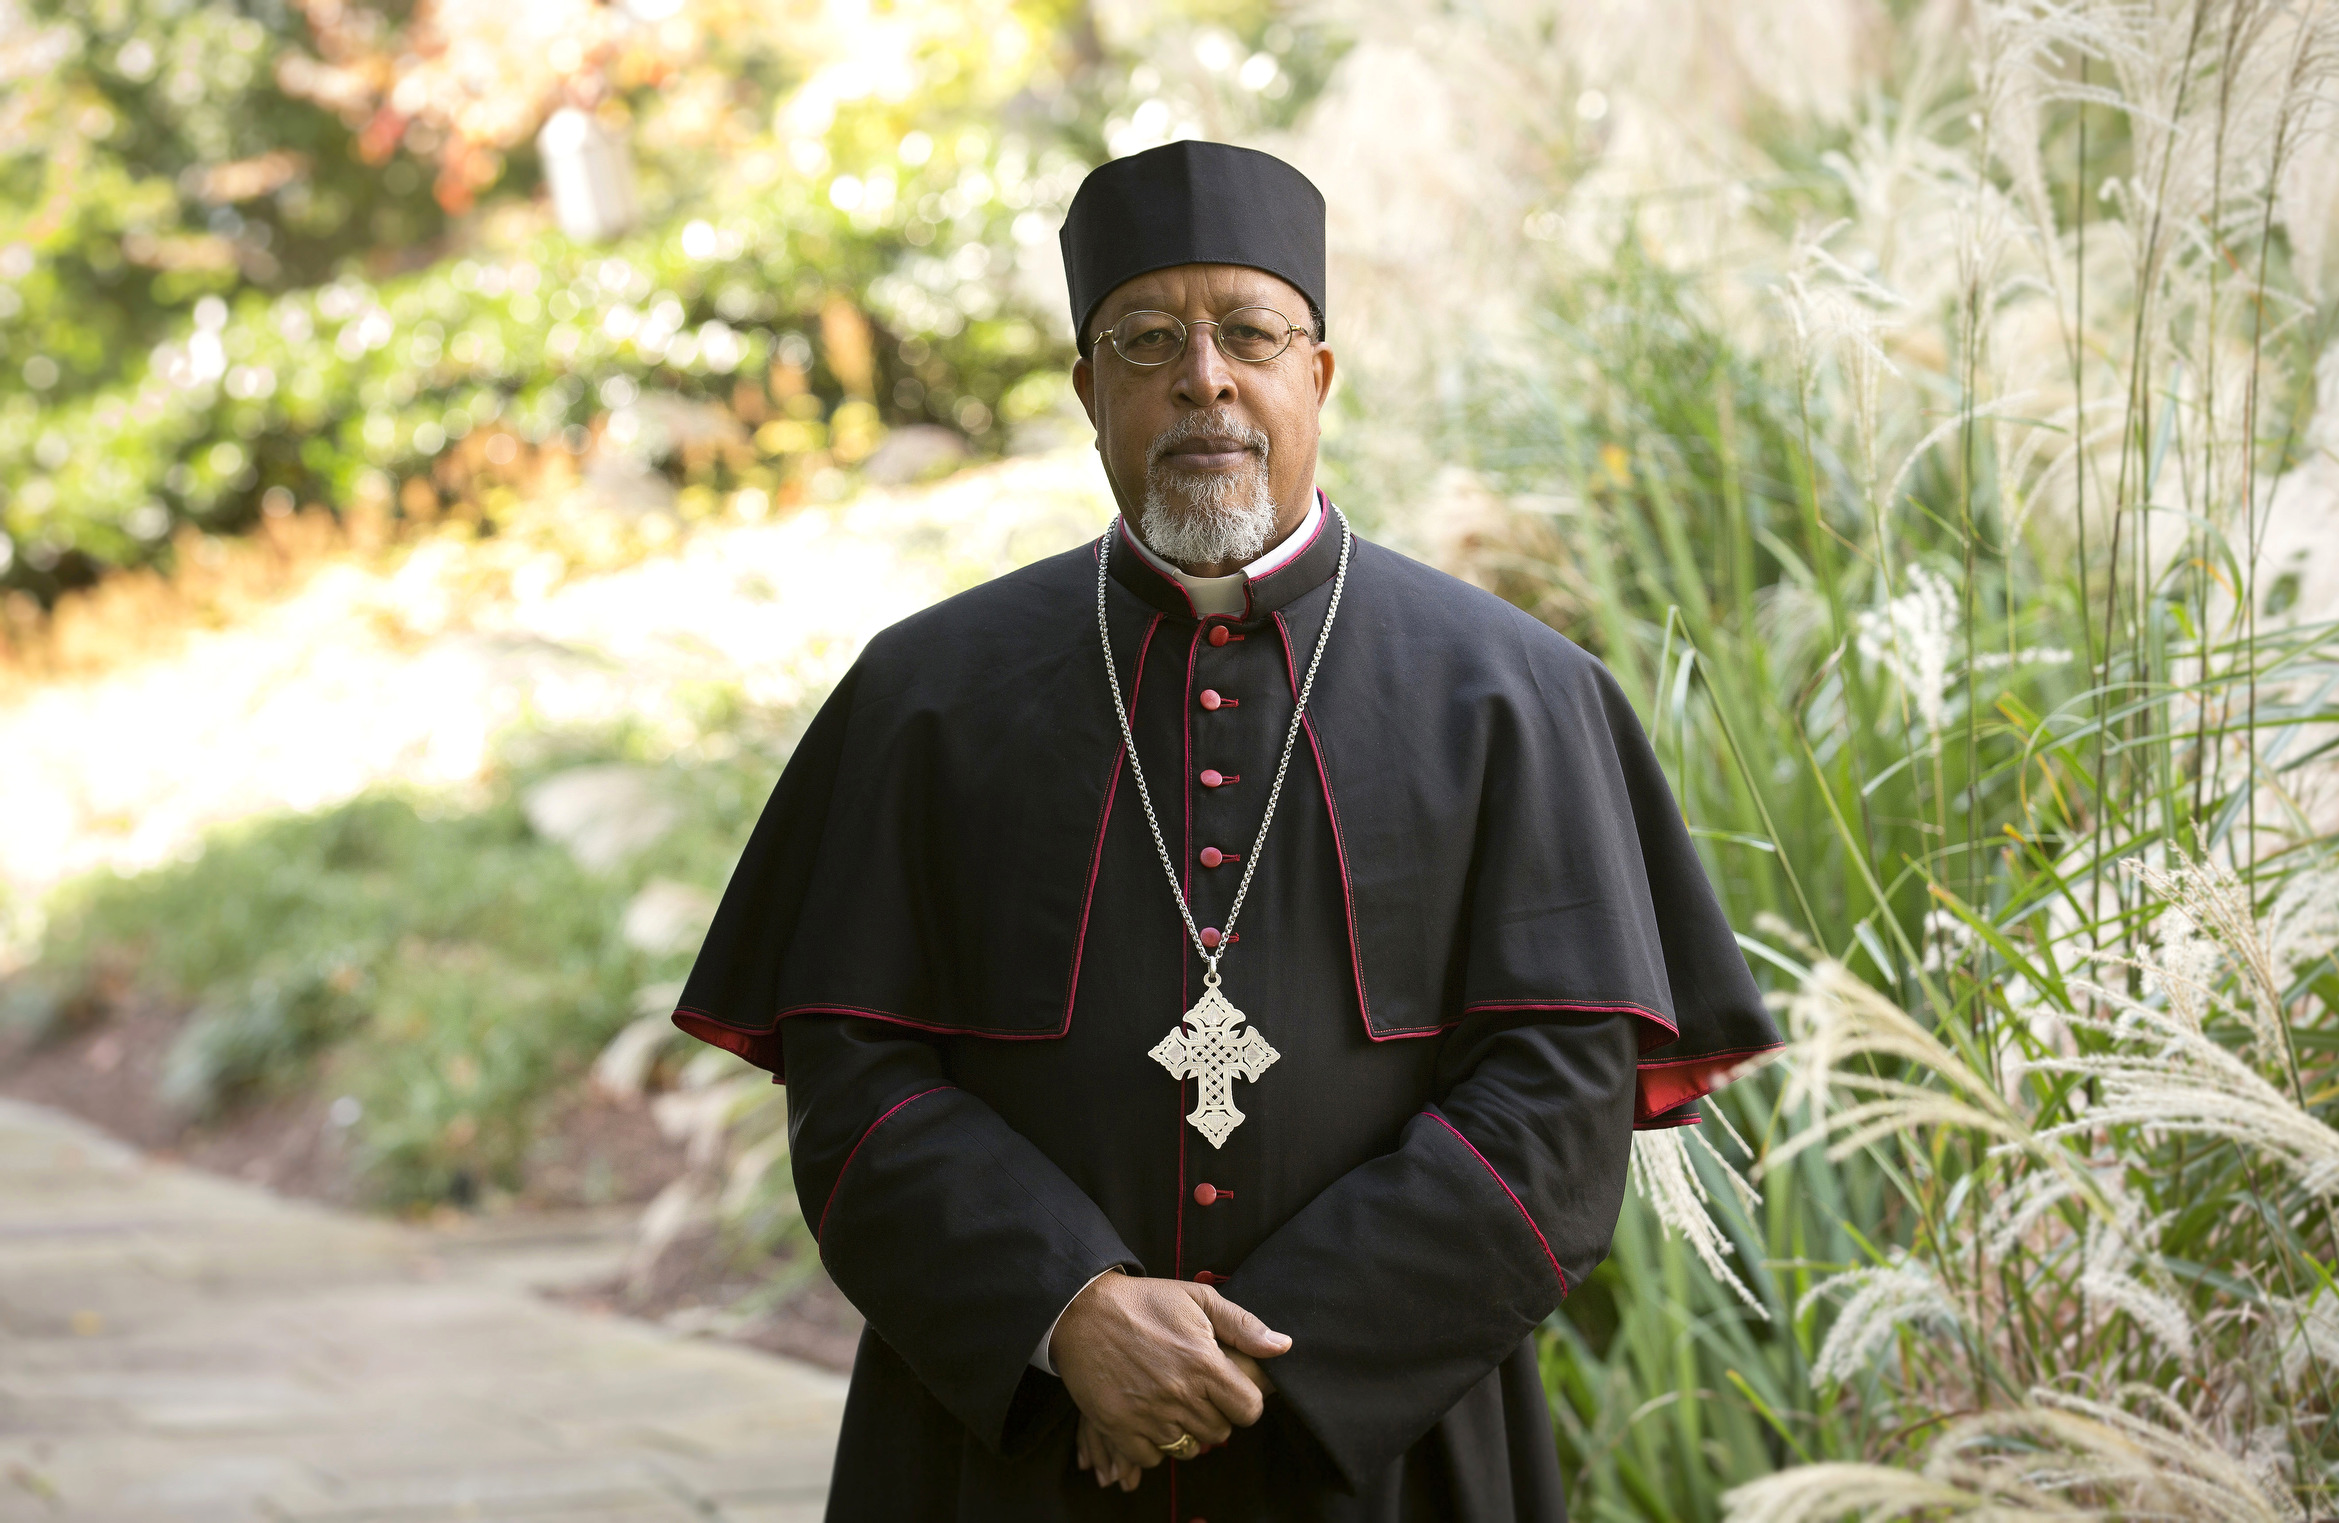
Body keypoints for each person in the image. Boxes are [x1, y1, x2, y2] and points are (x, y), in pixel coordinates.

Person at [671, 139, 1784, 1520]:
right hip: (1010, 1451)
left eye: (1251, 332)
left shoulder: (1514, 692)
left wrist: (1254, 1362)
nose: (1204, 375)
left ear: (1317, 373)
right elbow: (854, 1077)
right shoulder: (927, 696)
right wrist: (1067, 1311)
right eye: (1147, 338)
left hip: (1384, 1458)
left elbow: (1562, 1100)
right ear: (1090, 391)